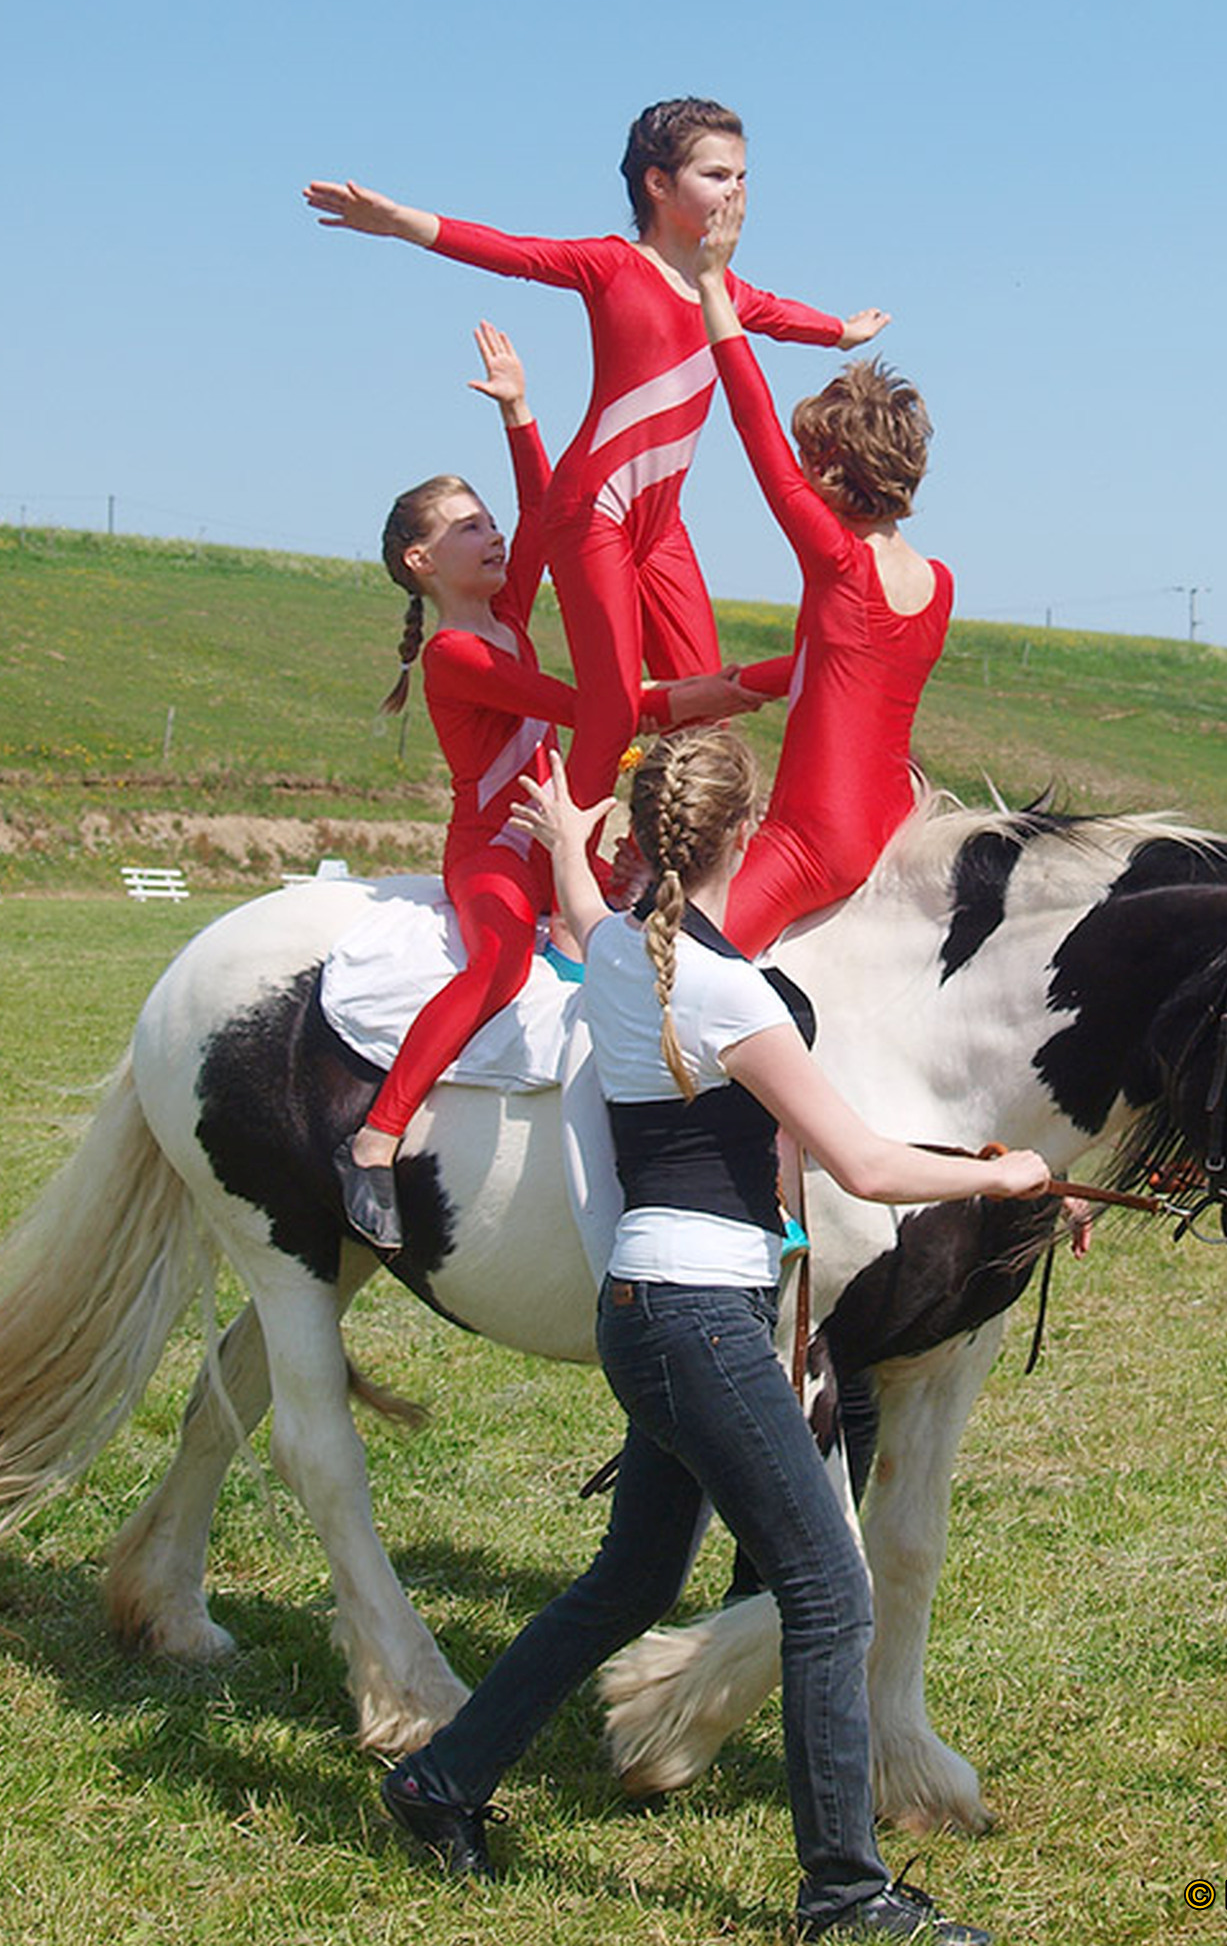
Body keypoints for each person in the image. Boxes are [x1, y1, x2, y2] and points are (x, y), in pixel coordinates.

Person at [377, 731, 1047, 1941]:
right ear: (752, 832)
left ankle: (438, 1781)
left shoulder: (629, 959)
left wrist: (575, 856)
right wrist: (1013, 1175)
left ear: (651, 838)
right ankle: (844, 1894)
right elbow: (862, 1161)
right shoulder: (731, 990)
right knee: (831, 1593)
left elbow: (586, 925)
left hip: (655, 1314)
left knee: (631, 1580)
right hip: (698, 1319)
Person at [306, 100, 886, 869]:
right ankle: (566, 874)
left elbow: (779, 315)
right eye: (717, 175)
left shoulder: (728, 294)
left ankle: (671, 870)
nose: (737, 192)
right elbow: (515, 253)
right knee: (610, 715)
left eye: (744, 176)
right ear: (657, 183)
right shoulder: (613, 266)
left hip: (661, 526)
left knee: (709, 713)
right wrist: (401, 222)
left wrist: (840, 332)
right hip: (595, 513)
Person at [337, 322, 580, 1252]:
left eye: (489, 520)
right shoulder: (457, 650)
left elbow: (548, 516)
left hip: (558, 841)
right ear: (421, 563)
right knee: (500, 966)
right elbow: (569, 702)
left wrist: (521, 411)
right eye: (467, 527)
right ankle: (377, 1137)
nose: (494, 534)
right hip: (494, 854)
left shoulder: (510, 613)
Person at [693, 219, 951, 956]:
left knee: (665, 978)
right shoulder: (938, 585)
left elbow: (753, 428)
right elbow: (847, 669)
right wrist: (731, 685)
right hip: (893, 823)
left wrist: (714, 290)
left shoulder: (837, 560)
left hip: (813, 837)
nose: (798, 471)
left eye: (810, 458)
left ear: (833, 465)